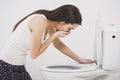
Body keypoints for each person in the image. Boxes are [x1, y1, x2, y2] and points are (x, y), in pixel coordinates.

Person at [0, 4, 95, 80]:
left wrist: (79, 59)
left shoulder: (50, 24)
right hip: (6, 66)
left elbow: (58, 44)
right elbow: (34, 55)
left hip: (18, 66)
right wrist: (53, 36)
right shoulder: (39, 21)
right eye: (69, 28)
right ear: (62, 22)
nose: (69, 32)